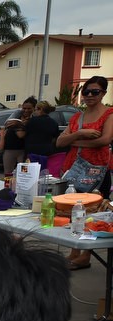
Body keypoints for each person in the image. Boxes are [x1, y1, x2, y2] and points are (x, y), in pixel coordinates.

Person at [57, 76, 113, 270]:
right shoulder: (77, 117)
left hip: (98, 170)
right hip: (73, 169)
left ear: (103, 93)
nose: (89, 95)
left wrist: (74, 141)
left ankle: (86, 254)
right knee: (73, 211)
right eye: (86, 92)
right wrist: (80, 134)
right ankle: (74, 251)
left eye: (94, 92)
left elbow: (104, 140)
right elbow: (59, 142)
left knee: (93, 213)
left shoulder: (109, 114)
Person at [0, 96, 36, 176]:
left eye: (29, 109)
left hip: (23, 150)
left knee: (23, 173)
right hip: (9, 148)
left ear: (34, 108)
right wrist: (20, 124)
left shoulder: (34, 119)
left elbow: (21, 135)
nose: (26, 110)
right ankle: (7, 188)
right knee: (8, 173)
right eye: (24, 108)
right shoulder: (17, 114)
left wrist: (20, 125)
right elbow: (7, 123)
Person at [23, 100, 61, 165]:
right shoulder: (54, 123)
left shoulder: (32, 121)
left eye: (35, 110)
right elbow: (55, 137)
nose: (34, 112)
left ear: (40, 109)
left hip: (32, 152)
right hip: (47, 151)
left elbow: (24, 133)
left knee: (31, 171)